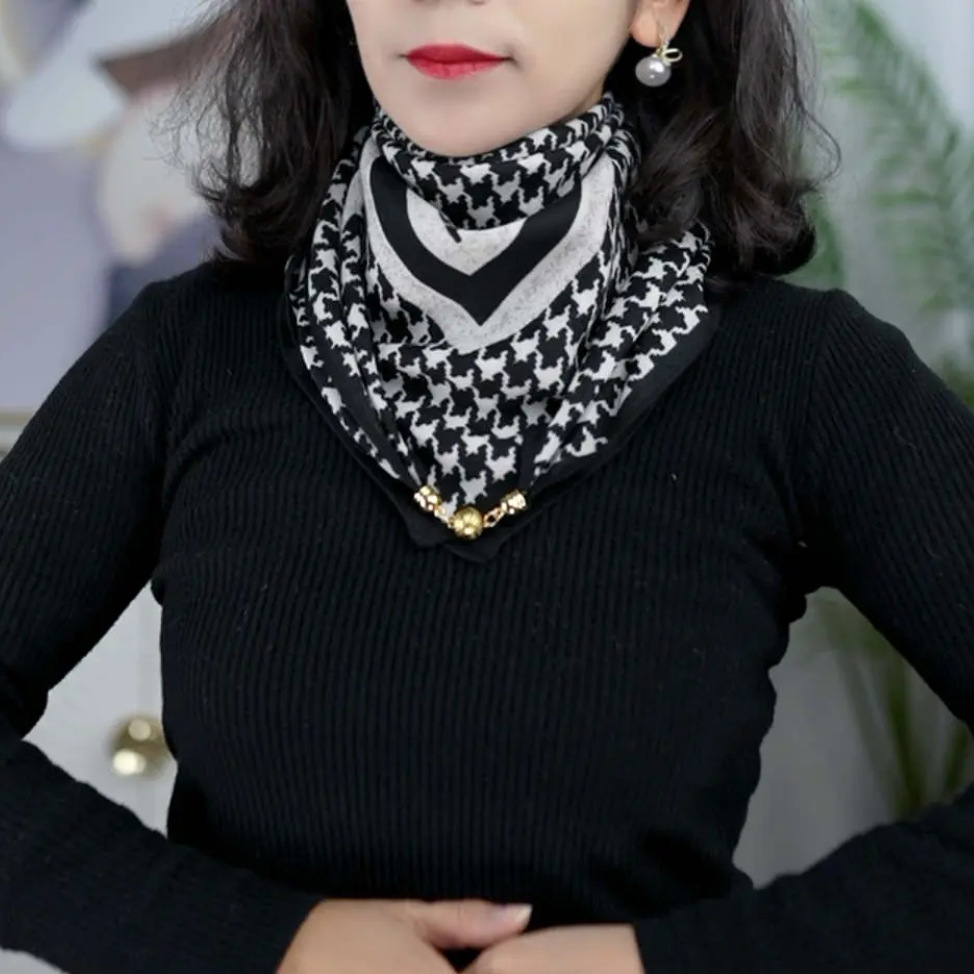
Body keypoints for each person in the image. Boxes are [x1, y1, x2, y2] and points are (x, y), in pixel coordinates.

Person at [1, 1, 973, 973]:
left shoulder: (802, 377)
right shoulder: (185, 355)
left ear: (655, 9)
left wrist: (666, 963)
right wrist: (271, 944)